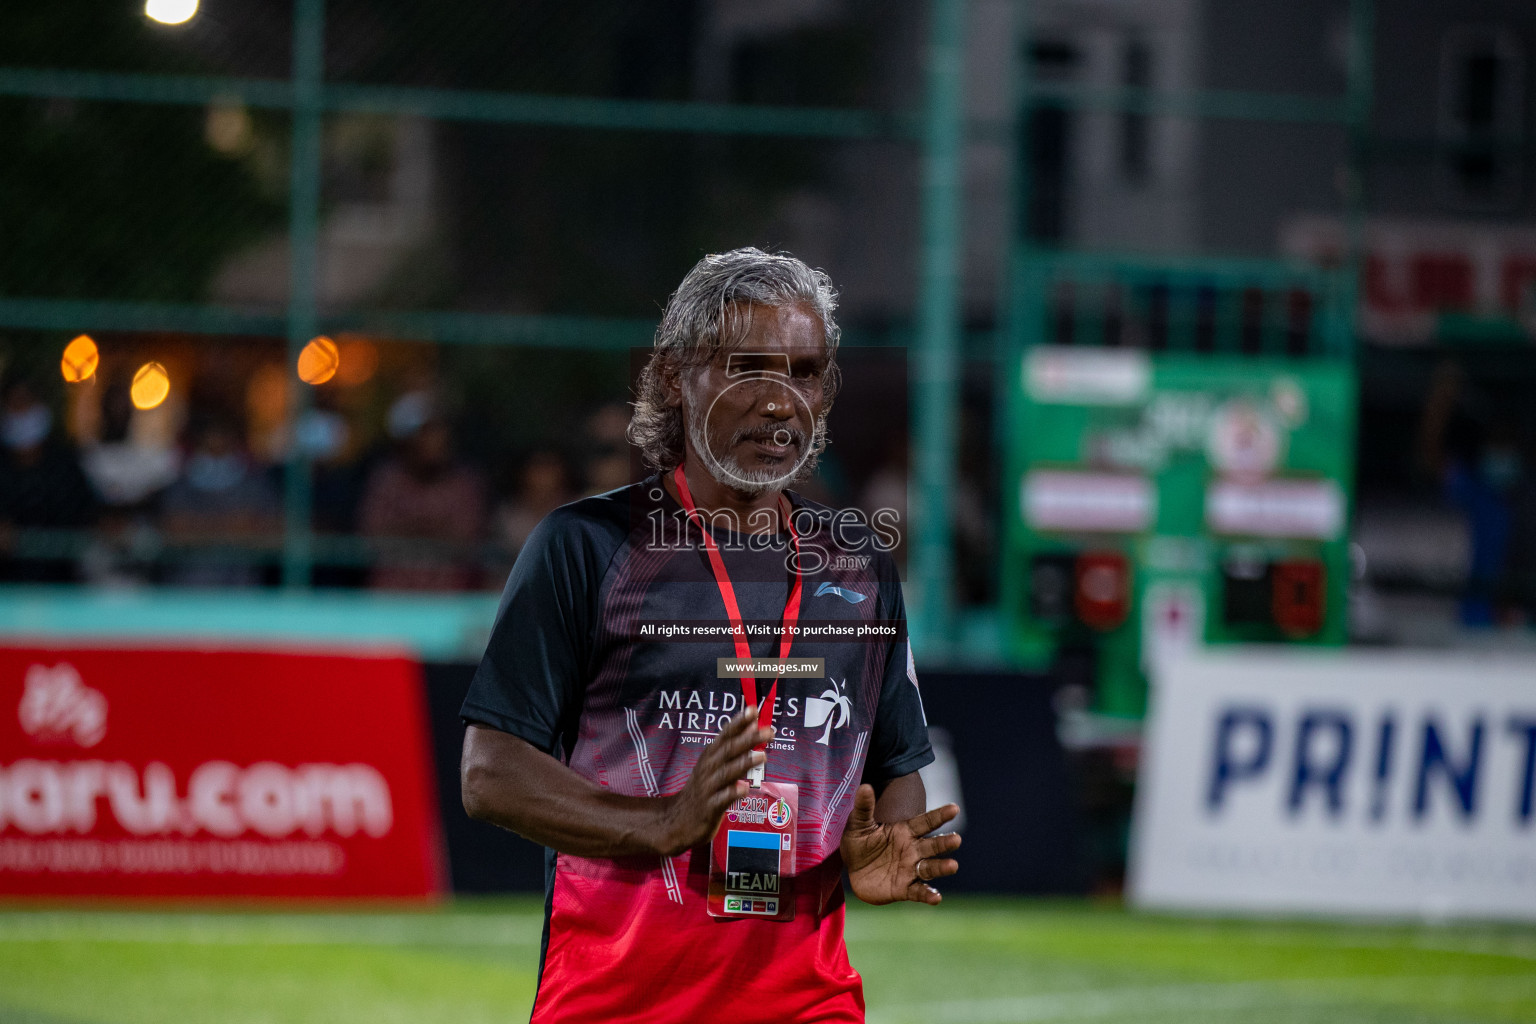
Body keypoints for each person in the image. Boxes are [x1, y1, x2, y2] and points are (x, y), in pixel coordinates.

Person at [459, 248, 960, 1023]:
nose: (780, 401)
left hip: (807, 1001)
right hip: (614, 1001)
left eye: (804, 371)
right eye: (748, 368)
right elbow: (490, 775)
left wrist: (882, 842)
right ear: (672, 377)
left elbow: (896, 763)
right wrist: (658, 823)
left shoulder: (861, 565)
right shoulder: (586, 546)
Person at [357, 395, 487, 590]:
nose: (436, 441)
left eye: (440, 432)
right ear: (407, 440)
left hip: (451, 599)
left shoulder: (465, 483)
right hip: (392, 597)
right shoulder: (385, 481)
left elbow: (466, 539)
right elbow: (374, 535)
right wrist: (429, 530)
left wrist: (410, 530)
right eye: (427, 433)